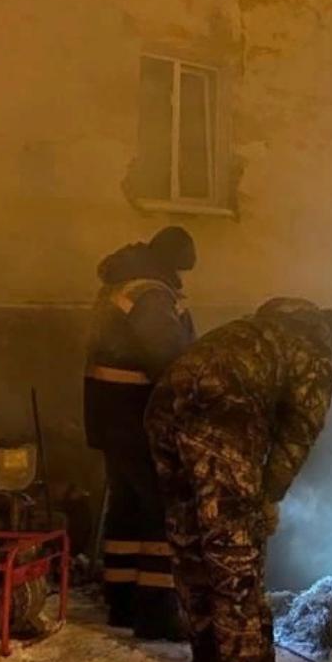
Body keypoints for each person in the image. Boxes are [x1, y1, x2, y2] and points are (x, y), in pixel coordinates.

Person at [145, 297, 332, 662]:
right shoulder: (316, 349)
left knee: (189, 530)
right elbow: (297, 436)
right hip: (222, 412)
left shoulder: (263, 330)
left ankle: (209, 650)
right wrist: (266, 498)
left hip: (165, 402)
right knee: (235, 546)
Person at [84, 226, 198, 638]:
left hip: (112, 420)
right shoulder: (150, 295)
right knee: (160, 508)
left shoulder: (124, 285)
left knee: (127, 508)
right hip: (139, 418)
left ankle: (122, 603)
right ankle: (155, 613)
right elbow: (169, 357)